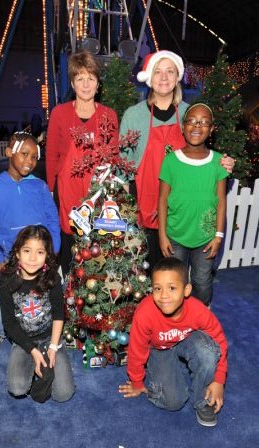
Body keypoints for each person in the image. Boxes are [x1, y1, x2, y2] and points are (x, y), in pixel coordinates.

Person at [120, 50, 234, 270]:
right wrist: (128, 212)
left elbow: (206, 157)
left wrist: (226, 163)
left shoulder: (189, 115)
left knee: (175, 274)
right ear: (149, 77)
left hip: (180, 213)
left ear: (177, 77)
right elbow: (123, 168)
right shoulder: (133, 116)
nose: (163, 78)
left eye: (169, 71)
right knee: (145, 271)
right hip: (142, 206)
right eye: (158, 72)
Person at [0, 131, 61, 358]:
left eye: (34, 157)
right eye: (24, 154)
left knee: (44, 295)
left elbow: (53, 220)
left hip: (41, 256)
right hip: (13, 261)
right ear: (9, 153)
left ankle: (50, 330)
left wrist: (53, 251)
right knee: (5, 300)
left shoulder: (40, 186)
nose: (29, 161)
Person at [119, 257, 227, 427]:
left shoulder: (198, 310)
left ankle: (203, 399)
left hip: (187, 339)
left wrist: (219, 380)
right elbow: (136, 350)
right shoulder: (145, 314)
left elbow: (219, 341)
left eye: (172, 288)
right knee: (173, 402)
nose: (164, 296)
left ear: (186, 290)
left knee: (208, 350)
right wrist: (137, 382)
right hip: (158, 348)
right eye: (157, 288)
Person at [46, 51, 118, 278]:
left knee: (97, 249)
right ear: (72, 83)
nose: (86, 84)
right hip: (66, 191)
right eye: (80, 79)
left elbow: (113, 157)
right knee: (69, 249)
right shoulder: (59, 113)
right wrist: (50, 190)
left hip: (97, 193)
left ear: (98, 84)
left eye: (91, 78)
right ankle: (70, 300)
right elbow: (52, 155)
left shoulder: (109, 115)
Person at [158, 103, 228, 306]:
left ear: (212, 129)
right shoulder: (170, 161)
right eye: (192, 121)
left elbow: (222, 200)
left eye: (204, 122)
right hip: (175, 236)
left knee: (202, 281)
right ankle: (178, 317)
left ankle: (201, 314)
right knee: (176, 281)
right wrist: (162, 235)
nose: (198, 126)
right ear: (183, 126)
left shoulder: (218, 162)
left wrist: (218, 236)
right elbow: (162, 199)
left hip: (205, 238)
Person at [0, 225, 75, 402]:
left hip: (51, 337)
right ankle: (33, 361)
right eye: (27, 251)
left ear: (47, 256)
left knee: (63, 395)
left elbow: (58, 315)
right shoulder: (7, 280)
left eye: (40, 252)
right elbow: (9, 323)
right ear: (17, 253)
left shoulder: (53, 278)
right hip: (23, 339)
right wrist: (32, 350)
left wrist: (53, 348)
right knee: (17, 388)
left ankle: (46, 361)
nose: (33, 258)